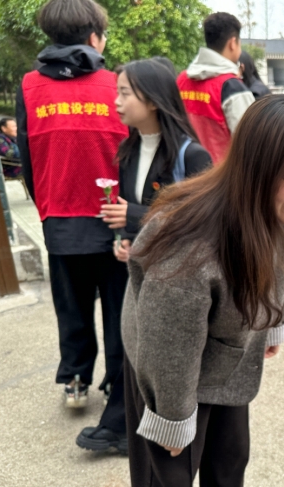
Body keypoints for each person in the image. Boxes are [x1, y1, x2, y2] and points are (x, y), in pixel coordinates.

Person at [121, 95, 284, 487]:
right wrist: (172, 415)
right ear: (255, 169)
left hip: (227, 350)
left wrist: (274, 322)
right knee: (168, 485)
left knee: (229, 463)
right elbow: (169, 343)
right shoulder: (191, 245)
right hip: (164, 361)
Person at [75, 59, 212, 453]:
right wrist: (126, 240)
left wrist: (133, 216)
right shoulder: (129, 150)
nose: (116, 102)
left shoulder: (192, 155)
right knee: (134, 344)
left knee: (163, 355)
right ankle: (125, 426)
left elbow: (201, 220)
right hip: (139, 271)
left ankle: (154, 428)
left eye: (124, 93)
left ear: (152, 99)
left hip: (176, 280)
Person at [16, 0, 129, 409]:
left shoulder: (29, 87)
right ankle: (118, 383)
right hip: (116, 217)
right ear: (94, 38)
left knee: (71, 304)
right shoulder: (117, 85)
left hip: (59, 216)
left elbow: (27, 156)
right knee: (119, 306)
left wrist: (46, 204)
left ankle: (76, 379)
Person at [177, 12, 254, 164]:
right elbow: (251, 144)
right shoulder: (233, 88)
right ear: (233, 43)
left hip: (185, 172)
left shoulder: (181, 80)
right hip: (221, 175)